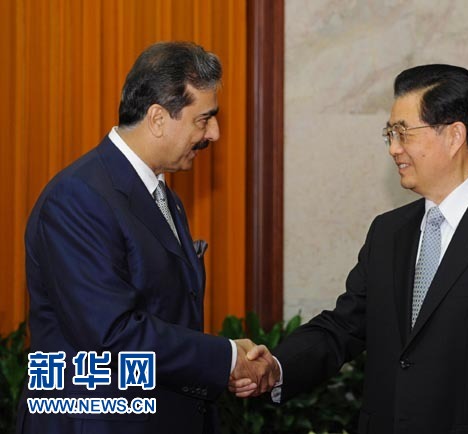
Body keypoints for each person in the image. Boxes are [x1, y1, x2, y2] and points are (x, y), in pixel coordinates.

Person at [233, 64, 468, 434]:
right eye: (389, 134)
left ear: (454, 135)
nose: (393, 148)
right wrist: (277, 366)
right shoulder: (388, 232)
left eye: (403, 133)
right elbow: (343, 326)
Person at [18, 41, 278, 434]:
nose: (215, 133)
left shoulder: (163, 196)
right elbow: (111, 336)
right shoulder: (78, 197)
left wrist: (223, 356)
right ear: (158, 118)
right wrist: (224, 357)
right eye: (203, 119)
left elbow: (163, 314)